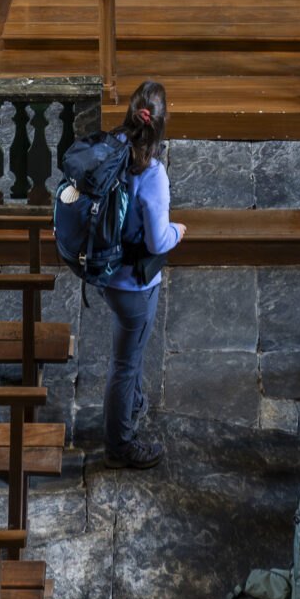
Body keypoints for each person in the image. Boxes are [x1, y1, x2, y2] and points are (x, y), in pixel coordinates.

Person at [98, 82, 183, 468]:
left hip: (103, 270)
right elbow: (156, 240)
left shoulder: (111, 145)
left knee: (127, 355)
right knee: (125, 365)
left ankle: (131, 403)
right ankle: (119, 446)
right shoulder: (154, 176)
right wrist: (179, 231)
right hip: (133, 284)